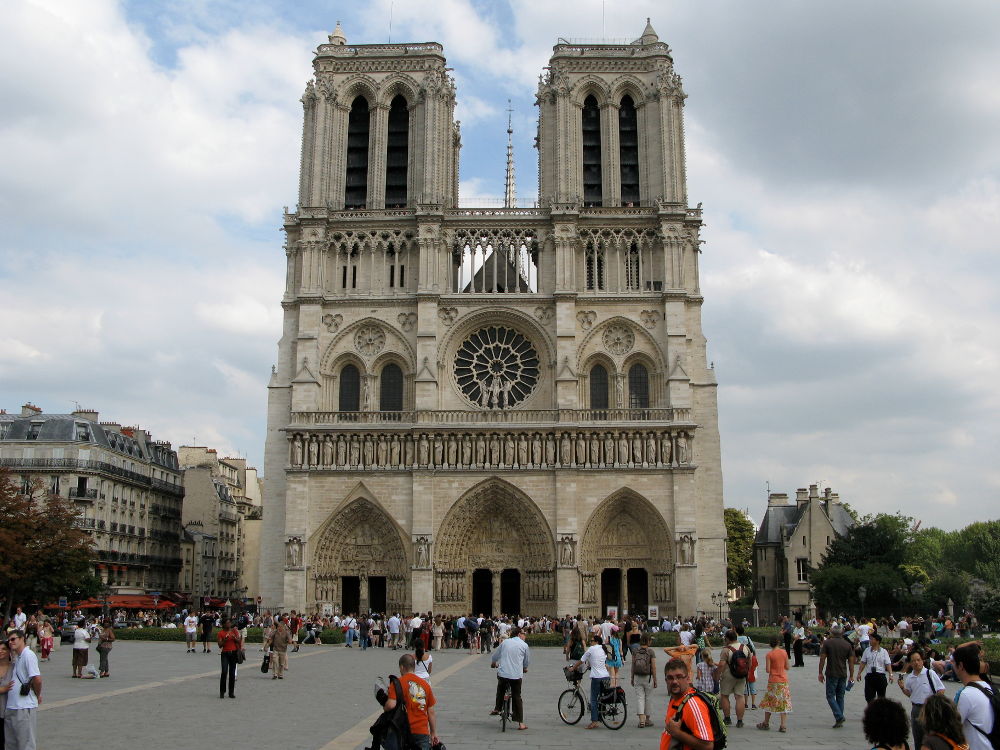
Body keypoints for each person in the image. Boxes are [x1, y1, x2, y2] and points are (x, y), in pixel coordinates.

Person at [384, 653, 439, 750]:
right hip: (421, 731)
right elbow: (431, 712)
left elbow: (391, 705)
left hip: (402, 729)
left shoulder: (397, 683)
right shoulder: (425, 685)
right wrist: (433, 732)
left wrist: (385, 706)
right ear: (414, 667)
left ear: (402, 667)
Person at [662, 656, 718, 750]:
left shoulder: (693, 704)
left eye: (679, 677)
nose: (675, 681)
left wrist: (677, 733)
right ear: (666, 680)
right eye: (670, 678)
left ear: (688, 679)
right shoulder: (675, 699)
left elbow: (707, 746)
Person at [899, 649, 946, 748]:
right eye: (913, 661)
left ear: (922, 660)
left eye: (918, 660)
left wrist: (933, 703)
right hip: (916, 709)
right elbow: (910, 694)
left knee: (929, 738)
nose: (916, 662)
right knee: (917, 738)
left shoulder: (930, 673)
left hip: (929, 709)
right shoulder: (910, 678)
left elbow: (941, 690)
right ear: (910, 663)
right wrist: (902, 688)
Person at [5, 630, 42, 750]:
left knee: (26, 743)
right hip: (13, 706)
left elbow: (37, 679)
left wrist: (37, 694)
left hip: (24, 706)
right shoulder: (18, 657)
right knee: (12, 743)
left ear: (22, 639)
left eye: (13, 639)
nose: (10, 643)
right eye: (9, 640)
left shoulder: (28, 654)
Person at [953, 644, 994, 750]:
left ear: (960, 666)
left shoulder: (967, 694)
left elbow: (954, 727)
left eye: (954, 662)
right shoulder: (989, 687)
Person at [490, 626, 529, 730]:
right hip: (516, 675)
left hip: (503, 674)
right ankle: (521, 723)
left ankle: (497, 708)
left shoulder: (505, 642)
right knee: (517, 696)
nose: (524, 635)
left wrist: (493, 663)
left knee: (500, 688)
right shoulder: (524, 645)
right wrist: (524, 668)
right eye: (523, 633)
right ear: (519, 634)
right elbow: (526, 662)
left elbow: (495, 656)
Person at [818, 622, 856, 728]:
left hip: (831, 672)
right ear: (842, 633)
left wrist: (820, 672)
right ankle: (839, 719)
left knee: (830, 696)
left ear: (832, 633)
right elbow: (851, 662)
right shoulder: (847, 645)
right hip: (843, 673)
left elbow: (822, 658)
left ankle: (839, 716)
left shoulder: (827, 643)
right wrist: (851, 675)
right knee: (840, 696)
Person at [572, 633, 610, 730]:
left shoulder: (592, 649)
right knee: (602, 698)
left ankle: (594, 721)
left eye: (592, 641)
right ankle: (601, 716)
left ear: (596, 642)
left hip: (596, 677)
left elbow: (581, 660)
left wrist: (573, 668)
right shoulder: (603, 649)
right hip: (606, 676)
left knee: (593, 699)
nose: (590, 642)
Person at [757, 635, 791, 733]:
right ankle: (783, 725)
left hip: (773, 681)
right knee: (783, 702)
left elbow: (768, 670)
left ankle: (766, 722)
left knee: (769, 701)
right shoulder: (784, 652)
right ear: (779, 643)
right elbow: (787, 667)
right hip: (783, 680)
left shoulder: (769, 654)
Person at [714, 629, 748, 728]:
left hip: (728, 675)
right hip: (741, 675)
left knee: (725, 696)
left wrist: (717, 675)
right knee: (740, 696)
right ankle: (740, 720)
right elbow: (749, 661)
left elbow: (721, 665)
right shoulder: (745, 647)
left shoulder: (726, 649)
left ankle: (727, 718)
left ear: (728, 639)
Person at [856, 633, 894, 704]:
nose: (869, 640)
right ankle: (871, 712)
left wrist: (891, 675)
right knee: (869, 697)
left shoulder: (884, 652)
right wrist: (859, 673)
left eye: (871, 639)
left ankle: (880, 713)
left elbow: (888, 664)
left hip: (880, 676)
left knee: (881, 698)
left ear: (877, 641)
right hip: (870, 676)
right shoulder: (867, 651)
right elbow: (863, 662)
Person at [631, 632, 658, 728]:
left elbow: (633, 665)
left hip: (638, 676)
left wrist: (632, 677)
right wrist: (655, 679)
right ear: (648, 641)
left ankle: (641, 720)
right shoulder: (651, 652)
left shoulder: (635, 651)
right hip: (648, 677)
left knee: (640, 697)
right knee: (648, 697)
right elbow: (654, 667)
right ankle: (647, 719)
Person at [217, 618, 242, 699]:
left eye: (229, 623)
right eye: (227, 623)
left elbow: (239, 641)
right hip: (225, 653)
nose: (229, 624)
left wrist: (235, 638)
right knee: (224, 672)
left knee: (232, 673)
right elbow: (220, 645)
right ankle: (222, 691)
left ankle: (231, 692)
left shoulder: (233, 631)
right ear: (223, 624)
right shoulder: (220, 633)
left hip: (233, 653)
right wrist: (225, 640)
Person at [0, 640, 13, 747]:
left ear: (9, 651)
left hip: (9, 711)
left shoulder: (15, 667)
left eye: (4, 649)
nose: (1, 651)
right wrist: (2, 689)